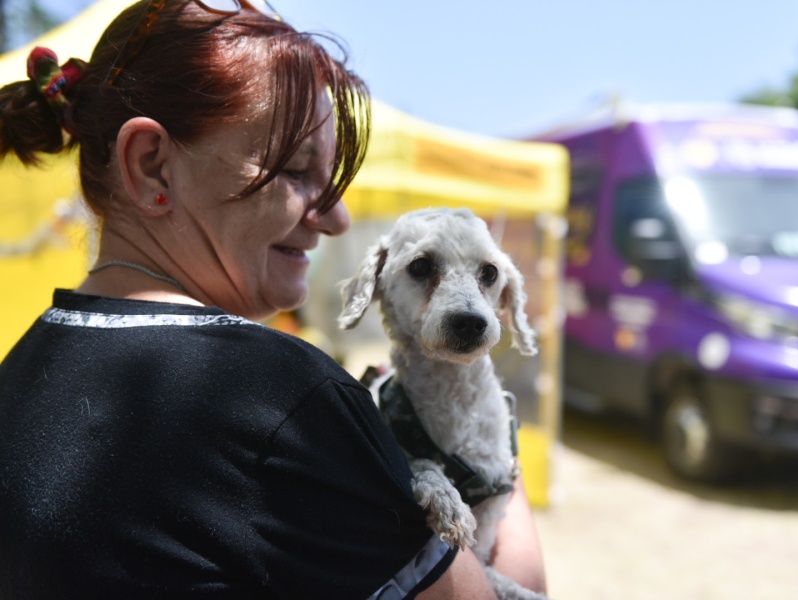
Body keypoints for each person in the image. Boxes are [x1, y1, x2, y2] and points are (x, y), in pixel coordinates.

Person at [0, 1, 547, 598]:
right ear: (151, 165)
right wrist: (499, 458)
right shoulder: (280, 396)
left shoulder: (21, 367)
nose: (334, 219)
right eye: (293, 171)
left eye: (334, 182)